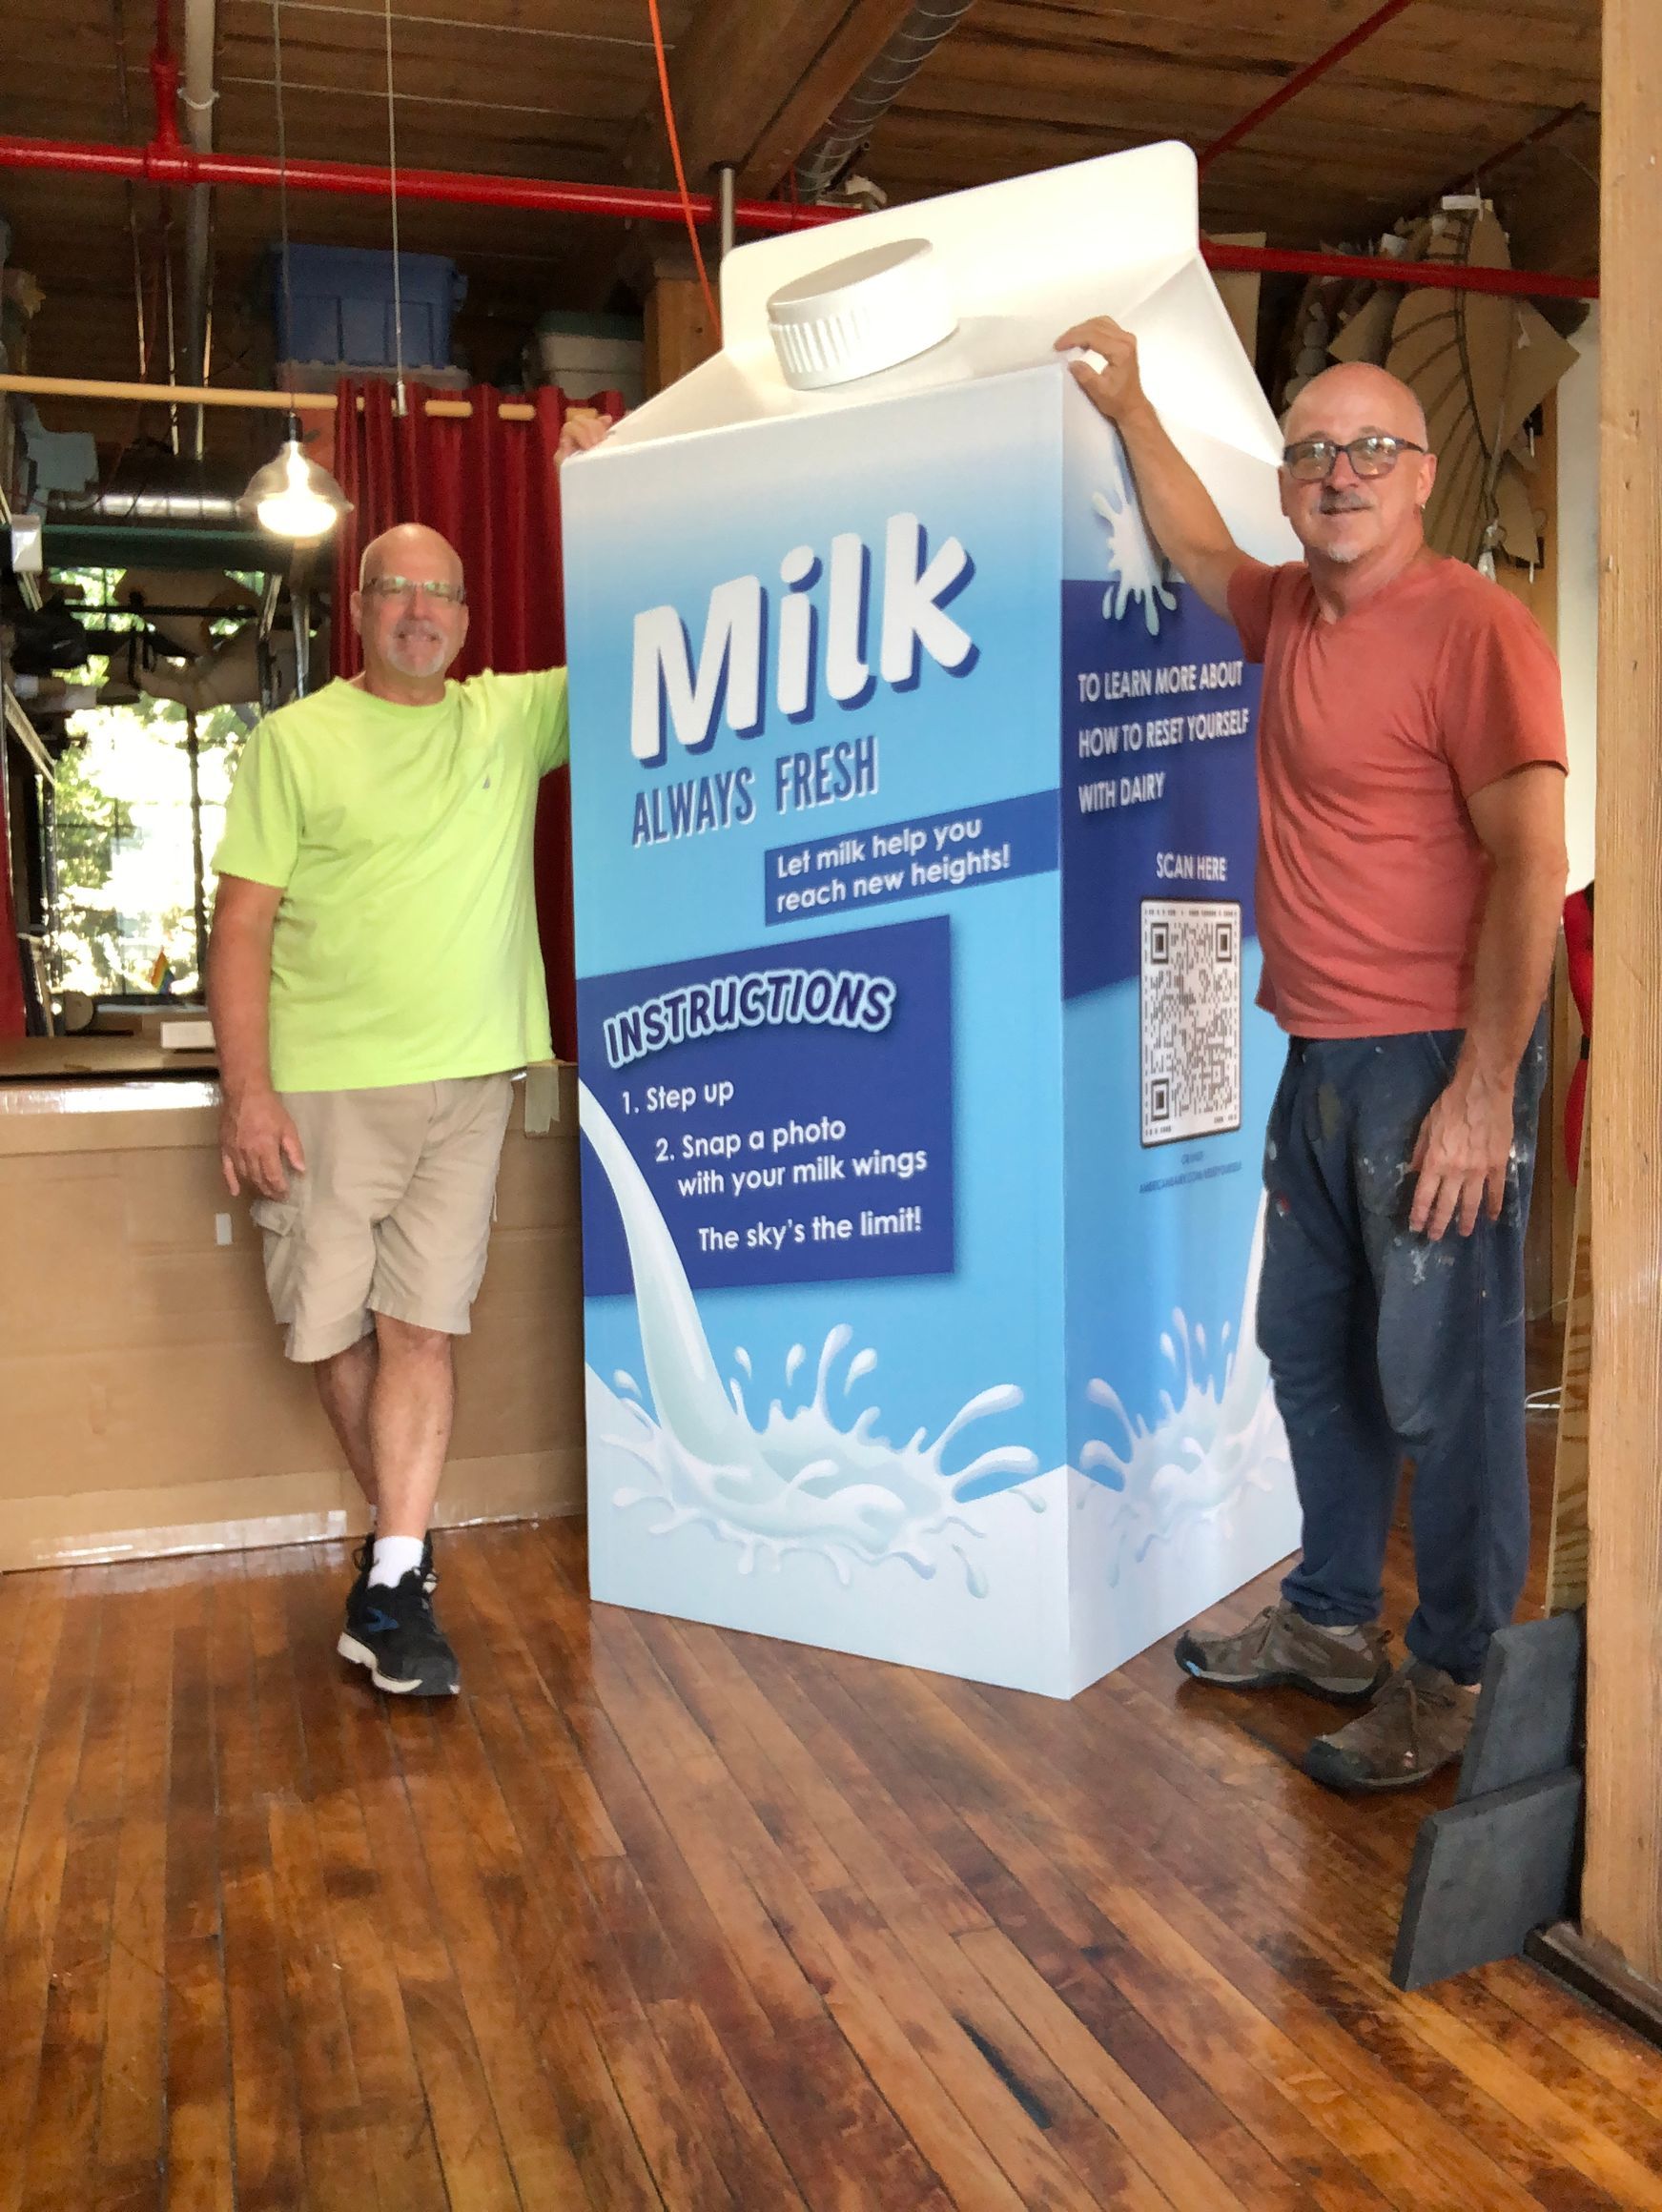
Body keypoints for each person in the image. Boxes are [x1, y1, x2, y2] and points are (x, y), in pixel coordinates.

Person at [1057, 317, 1569, 1791]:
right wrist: (1135, 405)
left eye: (1371, 450)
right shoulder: (1292, 610)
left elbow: (1531, 864)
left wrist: (1484, 1093)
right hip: (1323, 1056)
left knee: (1447, 1384)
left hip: (1436, 1066)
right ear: (1293, 485)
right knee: (1313, 1354)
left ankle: (1460, 1679)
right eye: (1313, 452)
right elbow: (1202, 551)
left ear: (1418, 481)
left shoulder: (1476, 629)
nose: (1339, 472)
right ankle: (1335, 1622)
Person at [207, 413, 611, 1699]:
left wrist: (598, 485)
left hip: (474, 1083)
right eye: (398, 590)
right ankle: (404, 1552)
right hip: (322, 1093)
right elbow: (243, 924)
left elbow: (641, 635)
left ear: (468, 616)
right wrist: (248, 1092)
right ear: (361, 610)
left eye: (444, 592)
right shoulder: (296, 742)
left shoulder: (509, 721)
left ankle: (391, 1579)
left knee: (421, 1327)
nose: (422, 611)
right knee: (332, 1334)